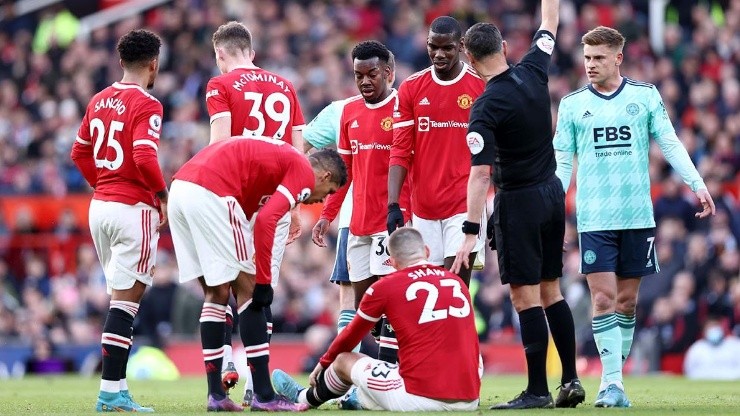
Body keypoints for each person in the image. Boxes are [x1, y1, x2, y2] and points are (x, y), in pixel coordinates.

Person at [552, 25, 716, 407]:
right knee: (604, 299)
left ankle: (614, 378)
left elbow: (670, 141)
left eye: (598, 58)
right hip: (593, 217)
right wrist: (553, 210)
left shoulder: (644, 97)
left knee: (626, 303)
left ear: (617, 58)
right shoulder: (574, 104)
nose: (590, 65)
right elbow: (562, 162)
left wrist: (696, 183)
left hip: (637, 216)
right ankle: (611, 384)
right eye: (587, 58)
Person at [451, 0, 586, 409]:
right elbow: (550, 20)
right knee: (552, 292)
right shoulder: (533, 68)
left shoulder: (485, 108)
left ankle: (538, 391)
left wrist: (470, 232)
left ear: (469, 60)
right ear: (505, 47)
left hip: (521, 202)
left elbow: (480, 175)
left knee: (525, 297)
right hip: (552, 194)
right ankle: (571, 380)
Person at [168, 138, 346, 412]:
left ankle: (215, 395)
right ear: (325, 175)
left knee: (216, 294)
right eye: (329, 190)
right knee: (249, 292)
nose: (322, 199)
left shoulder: (280, 163)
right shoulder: (301, 168)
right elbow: (267, 221)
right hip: (211, 191)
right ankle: (263, 395)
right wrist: (263, 281)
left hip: (180, 189)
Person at [205, 21, 307, 403]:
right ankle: (253, 386)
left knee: (223, 287)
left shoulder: (220, 86)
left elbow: (220, 145)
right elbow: (299, 152)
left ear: (221, 55)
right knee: (261, 292)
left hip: (235, 199)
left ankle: (223, 377)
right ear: (251, 49)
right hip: (278, 200)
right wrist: (294, 206)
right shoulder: (286, 86)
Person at [272, 227, 480, 411]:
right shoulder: (455, 281)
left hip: (420, 397)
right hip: (469, 398)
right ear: (426, 251)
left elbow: (351, 336)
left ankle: (304, 398)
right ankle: (361, 400)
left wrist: (324, 362)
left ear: (393, 262)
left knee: (345, 359)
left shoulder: (386, 286)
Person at [70, 29, 167, 413]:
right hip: (131, 211)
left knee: (118, 298)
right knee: (126, 304)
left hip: (100, 208)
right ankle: (109, 392)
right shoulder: (148, 103)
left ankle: (118, 387)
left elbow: (79, 153)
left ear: (120, 61)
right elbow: (144, 157)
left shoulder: (98, 99)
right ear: (153, 64)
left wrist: (104, 185)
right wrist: (161, 196)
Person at [312, 40, 410, 363]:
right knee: (366, 307)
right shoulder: (349, 113)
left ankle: (388, 374)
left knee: (388, 301)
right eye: (359, 75)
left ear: (389, 73)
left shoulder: (402, 109)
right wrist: (327, 214)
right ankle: (377, 376)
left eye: (372, 74)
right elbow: (345, 174)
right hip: (358, 226)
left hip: (390, 224)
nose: (365, 81)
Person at [388, 15, 486, 287]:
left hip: (464, 204)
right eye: (433, 47)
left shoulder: (480, 85)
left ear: (462, 45)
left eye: (447, 48)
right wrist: (393, 204)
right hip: (423, 207)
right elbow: (400, 148)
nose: (439, 54)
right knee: (429, 287)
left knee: (453, 286)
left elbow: (496, 150)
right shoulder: (411, 87)